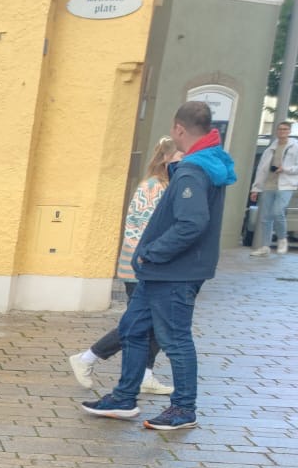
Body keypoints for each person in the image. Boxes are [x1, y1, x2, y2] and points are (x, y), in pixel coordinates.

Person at [81, 100, 234, 432]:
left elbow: (191, 224)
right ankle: (124, 398)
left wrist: (152, 252)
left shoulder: (193, 169)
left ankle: (183, 408)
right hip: (163, 273)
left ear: (179, 129)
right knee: (133, 329)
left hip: (173, 272)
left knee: (175, 338)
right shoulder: (207, 163)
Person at [68, 138, 174, 396]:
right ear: (166, 158)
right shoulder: (153, 187)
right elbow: (140, 230)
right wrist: (151, 262)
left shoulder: (167, 186)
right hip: (142, 270)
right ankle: (87, 358)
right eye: (180, 156)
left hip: (153, 268)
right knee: (137, 323)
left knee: (157, 323)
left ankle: (145, 375)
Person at [250, 120, 298, 255]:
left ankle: (282, 239)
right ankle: (265, 246)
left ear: (289, 131)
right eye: (280, 129)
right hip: (269, 185)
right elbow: (261, 169)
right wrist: (256, 188)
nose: (282, 132)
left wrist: (286, 169)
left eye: (285, 129)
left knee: (278, 212)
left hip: (286, 184)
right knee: (265, 216)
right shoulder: (271, 148)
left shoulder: (295, 146)